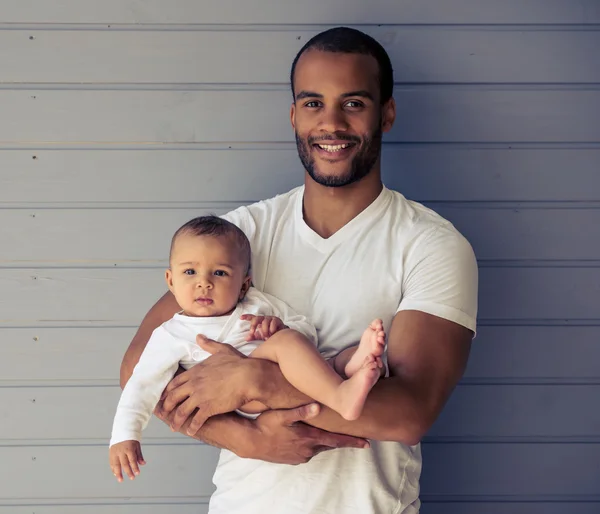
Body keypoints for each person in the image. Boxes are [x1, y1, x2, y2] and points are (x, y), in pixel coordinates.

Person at [120, 26, 478, 514]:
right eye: (313, 103)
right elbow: (137, 365)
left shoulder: (431, 244)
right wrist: (244, 437)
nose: (331, 123)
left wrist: (257, 384)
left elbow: (409, 413)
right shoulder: (238, 237)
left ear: (386, 114)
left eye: (353, 103)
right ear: (293, 115)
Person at [109, 216, 387, 482]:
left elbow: (304, 332)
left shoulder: (256, 305)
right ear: (170, 281)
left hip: (285, 377)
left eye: (219, 273)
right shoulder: (171, 334)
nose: (203, 282)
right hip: (244, 402)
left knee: (311, 350)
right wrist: (125, 434)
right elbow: (141, 383)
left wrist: (276, 325)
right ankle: (341, 397)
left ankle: (355, 365)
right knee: (287, 344)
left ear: (243, 285)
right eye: (190, 271)